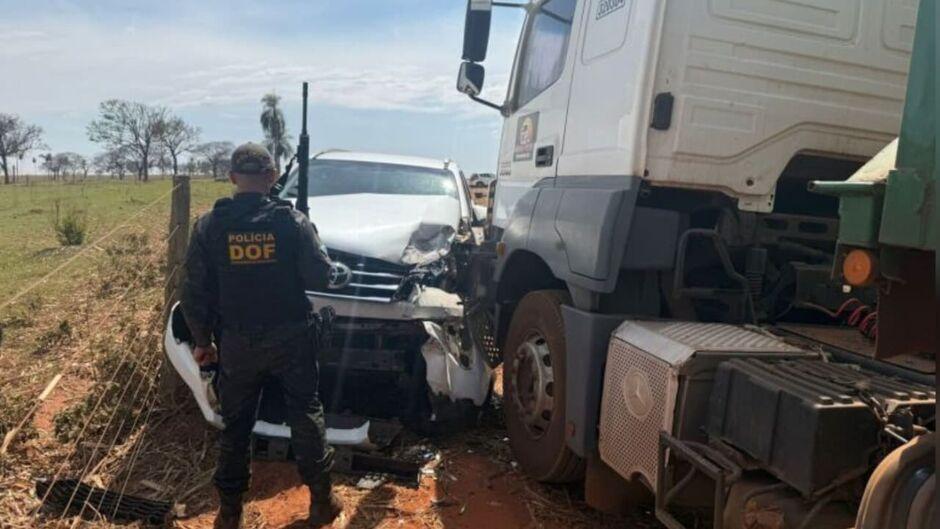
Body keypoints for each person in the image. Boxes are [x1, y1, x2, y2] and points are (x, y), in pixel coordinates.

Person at [179, 143, 341, 528]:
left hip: (237, 342)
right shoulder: (293, 222)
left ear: (233, 178)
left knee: (236, 426)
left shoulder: (209, 225)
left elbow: (192, 291)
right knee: (305, 413)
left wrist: (203, 341)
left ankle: (230, 513)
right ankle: (322, 502)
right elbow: (320, 277)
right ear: (271, 178)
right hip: (292, 338)